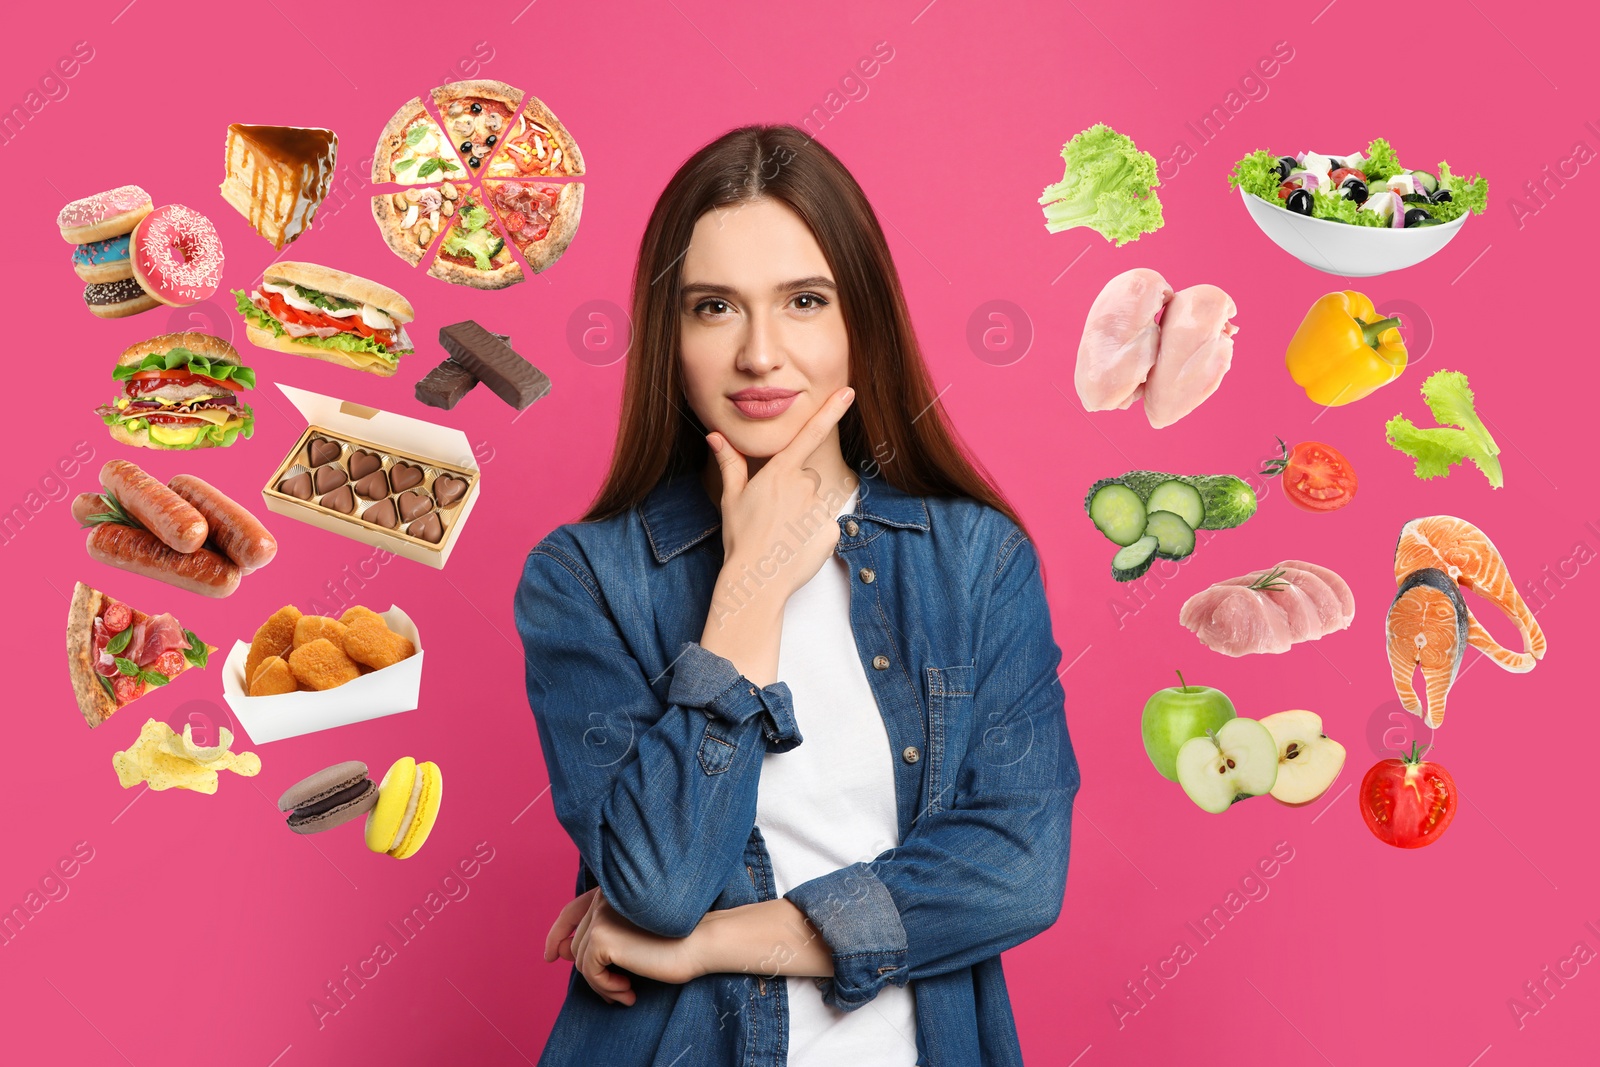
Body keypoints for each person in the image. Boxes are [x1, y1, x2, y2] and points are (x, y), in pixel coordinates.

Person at [514, 123, 1079, 1067]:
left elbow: (1018, 870)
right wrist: (748, 594)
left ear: (860, 317)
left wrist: (705, 946)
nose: (760, 354)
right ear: (671, 334)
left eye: (804, 300)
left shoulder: (976, 559)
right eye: (714, 308)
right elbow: (659, 882)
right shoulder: (587, 578)